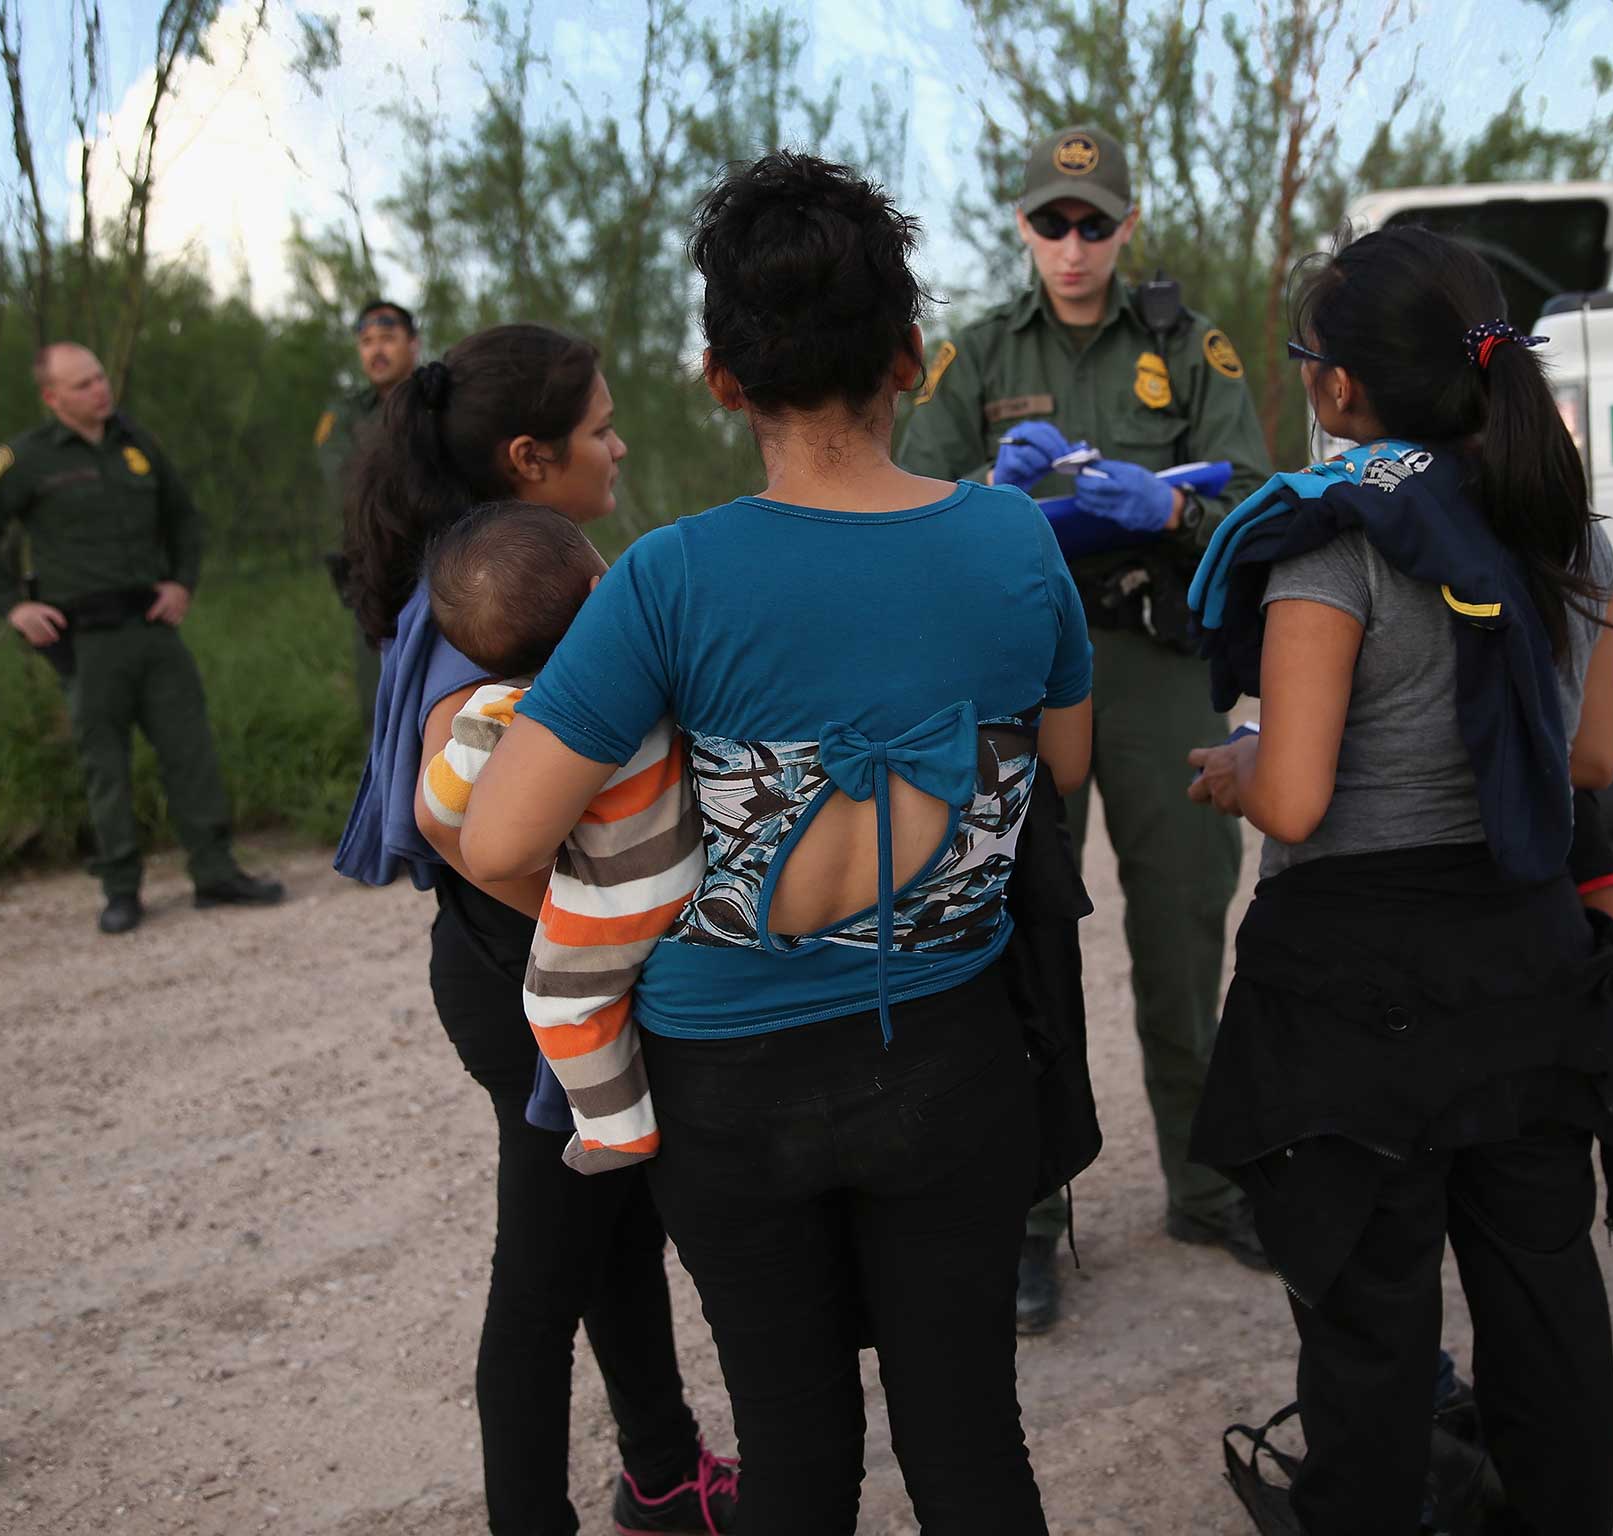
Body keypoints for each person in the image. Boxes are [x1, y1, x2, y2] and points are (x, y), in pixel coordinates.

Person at [460, 151, 1092, 1536]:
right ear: (913, 360)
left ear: (719, 378)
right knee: (971, 1445)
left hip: (728, 1095)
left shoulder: (667, 581)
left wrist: (652, 904)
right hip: (956, 1056)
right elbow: (1063, 770)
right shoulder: (1016, 542)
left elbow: (502, 839)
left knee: (795, 1455)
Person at [1183, 226, 1613, 1535]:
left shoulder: (1335, 543)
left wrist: (1233, 764)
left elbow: (1300, 795)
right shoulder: (1567, 535)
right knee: (1543, 1289)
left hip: (1355, 986)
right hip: (1524, 949)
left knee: (1371, 1322)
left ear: (1339, 388)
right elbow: (1590, 756)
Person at [332, 325, 736, 1536]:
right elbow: (462, 829)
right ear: (528, 458)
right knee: (541, 1279)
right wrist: (624, 934)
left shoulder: (499, 581)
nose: (615, 445)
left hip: (530, 972)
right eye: (600, 429)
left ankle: (662, 1472)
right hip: (536, 984)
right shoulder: (481, 636)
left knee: (609, 1230)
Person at [897, 123, 1274, 1333]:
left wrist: (1168, 504)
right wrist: (991, 497)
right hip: (1019, 665)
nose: (1072, 245)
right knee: (1017, 933)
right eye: (1051, 222)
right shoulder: (973, 355)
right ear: (1021, 227)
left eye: (1093, 222)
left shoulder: (1186, 344)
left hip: (1157, 660)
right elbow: (905, 502)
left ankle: (1210, 1188)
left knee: (1182, 931)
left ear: (1125, 226)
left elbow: (1256, 504)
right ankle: (1026, 1223)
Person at [0, 342, 285, 934]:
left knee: (191, 753)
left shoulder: (136, 444)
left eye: (100, 377)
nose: (99, 390)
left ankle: (215, 872)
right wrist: (13, 608)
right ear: (52, 397)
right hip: (87, 641)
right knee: (105, 764)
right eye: (82, 385)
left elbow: (183, 517)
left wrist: (181, 583)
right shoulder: (26, 458)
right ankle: (121, 889)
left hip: (153, 630)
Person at [416, 501, 702, 1172]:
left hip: (616, 901)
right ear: (602, 590)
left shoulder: (500, 711)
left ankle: (618, 1127)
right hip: (698, 865)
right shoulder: (648, 660)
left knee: (559, 1003)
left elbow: (439, 803)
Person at [317, 299, 421, 733]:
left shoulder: (441, 401)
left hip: (444, 568)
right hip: (376, 579)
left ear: (413, 344)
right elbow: (346, 484)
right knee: (381, 711)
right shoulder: (343, 415)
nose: (376, 350)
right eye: (366, 342)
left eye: (388, 338)